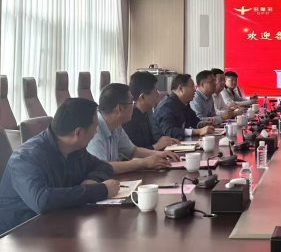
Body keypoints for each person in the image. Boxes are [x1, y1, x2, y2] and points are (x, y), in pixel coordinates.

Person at [0, 98, 119, 235]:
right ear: (78, 133)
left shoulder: (75, 149)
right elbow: (42, 201)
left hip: (57, 224)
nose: (95, 133)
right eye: (94, 128)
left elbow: (103, 167)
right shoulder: (26, 158)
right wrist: (100, 190)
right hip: (19, 235)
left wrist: (92, 180)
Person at [87, 83, 181, 174]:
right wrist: (143, 163)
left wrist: (159, 154)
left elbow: (133, 151)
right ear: (119, 108)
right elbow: (102, 167)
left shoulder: (116, 126)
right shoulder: (94, 130)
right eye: (131, 102)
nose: (134, 106)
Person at [122, 71, 180, 151]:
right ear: (142, 97)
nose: (158, 94)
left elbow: (149, 143)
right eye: (155, 91)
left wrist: (164, 141)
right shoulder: (128, 119)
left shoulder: (144, 114)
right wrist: (156, 146)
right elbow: (132, 153)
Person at [153, 74, 215, 140]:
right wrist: (198, 131)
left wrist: (203, 124)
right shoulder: (166, 107)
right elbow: (170, 131)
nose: (195, 90)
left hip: (180, 143)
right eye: (192, 86)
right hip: (164, 145)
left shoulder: (184, 103)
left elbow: (194, 121)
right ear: (181, 89)